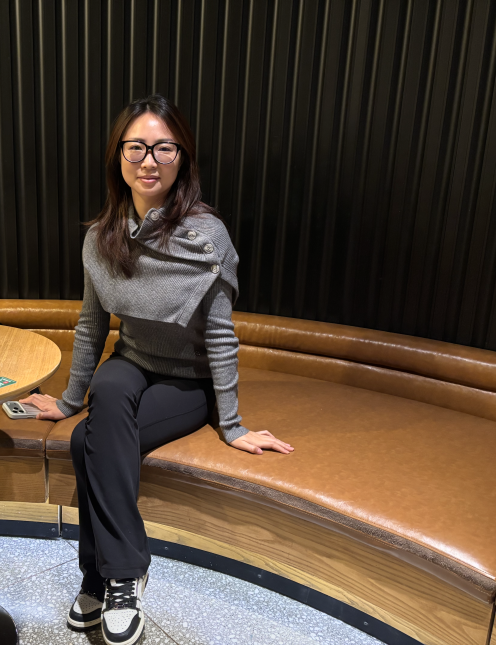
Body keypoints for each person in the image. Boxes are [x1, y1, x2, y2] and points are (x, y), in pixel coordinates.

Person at [19, 94, 294, 645]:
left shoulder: (205, 237)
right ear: (118, 157)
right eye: (136, 147)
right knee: (111, 383)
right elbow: (91, 325)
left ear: (182, 158)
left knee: (85, 445)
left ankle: (100, 575)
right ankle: (127, 573)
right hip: (134, 364)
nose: (149, 160)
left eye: (163, 148)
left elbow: (219, 333)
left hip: (188, 382)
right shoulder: (102, 238)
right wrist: (70, 401)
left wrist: (234, 424)